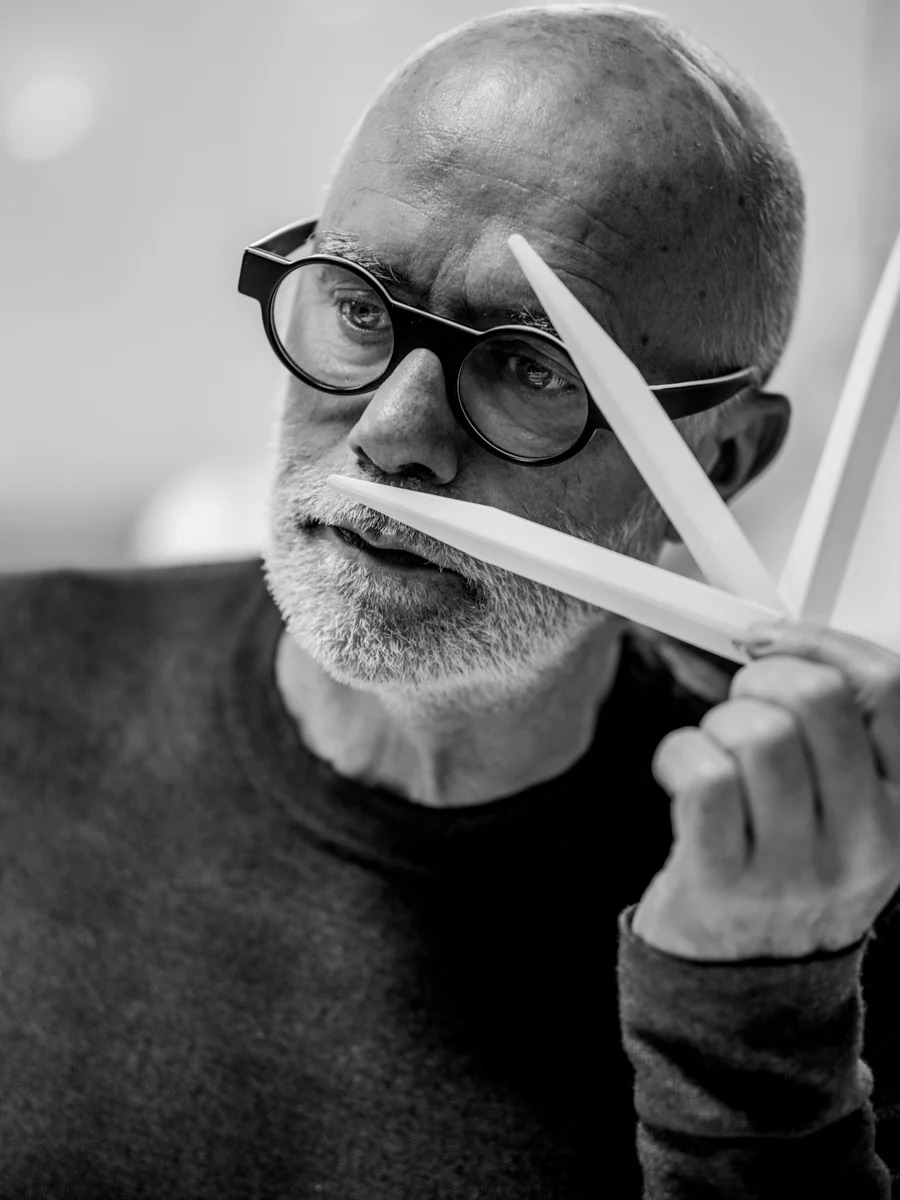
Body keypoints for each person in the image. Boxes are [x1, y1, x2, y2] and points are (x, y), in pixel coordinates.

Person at [1, 4, 899, 1197]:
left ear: (722, 462)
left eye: (532, 366)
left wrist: (753, 1023)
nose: (392, 433)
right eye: (359, 309)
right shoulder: (17, 676)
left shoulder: (832, 892)